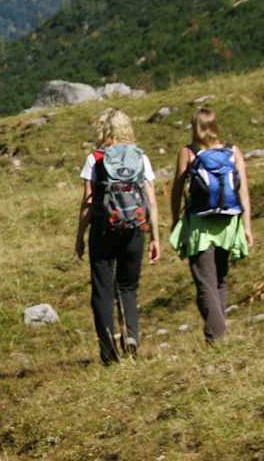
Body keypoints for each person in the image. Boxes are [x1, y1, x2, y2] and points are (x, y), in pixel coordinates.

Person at [75, 109, 162, 365]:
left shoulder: (95, 159)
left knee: (102, 290)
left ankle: (109, 352)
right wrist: (155, 237)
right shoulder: (141, 157)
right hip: (135, 227)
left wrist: (80, 236)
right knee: (128, 286)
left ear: (104, 130)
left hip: (104, 228)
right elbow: (151, 201)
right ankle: (131, 336)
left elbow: (87, 203)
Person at [169, 108, 252, 344]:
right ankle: (219, 333)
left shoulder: (188, 152)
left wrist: (175, 219)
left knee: (205, 282)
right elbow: (243, 191)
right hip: (228, 223)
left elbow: (177, 189)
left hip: (200, 225)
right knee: (220, 280)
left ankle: (216, 338)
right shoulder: (233, 151)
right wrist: (247, 226)